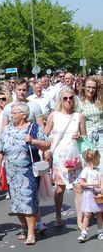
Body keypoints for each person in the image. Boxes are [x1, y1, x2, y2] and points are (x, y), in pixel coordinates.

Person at [0, 102, 51, 245]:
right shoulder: (6, 130)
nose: (10, 115)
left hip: (29, 171)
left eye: (13, 113)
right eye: (10, 113)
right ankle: (25, 228)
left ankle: (31, 233)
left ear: (23, 115)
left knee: (28, 200)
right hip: (11, 172)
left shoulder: (33, 128)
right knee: (16, 202)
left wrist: (33, 141)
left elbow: (47, 144)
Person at [45, 87, 88, 227]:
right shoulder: (53, 116)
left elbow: (85, 137)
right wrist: (47, 151)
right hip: (60, 156)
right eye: (65, 98)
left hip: (75, 156)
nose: (69, 101)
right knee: (59, 188)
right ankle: (58, 215)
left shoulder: (79, 116)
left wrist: (79, 137)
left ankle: (80, 220)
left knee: (78, 188)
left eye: (71, 98)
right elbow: (45, 135)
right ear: (60, 100)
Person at [76, 149, 103, 242]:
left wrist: (102, 189)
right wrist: (91, 184)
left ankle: (100, 232)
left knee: (99, 214)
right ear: (94, 159)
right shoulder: (86, 170)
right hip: (89, 194)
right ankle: (84, 232)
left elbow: (101, 181)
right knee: (87, 214)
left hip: (97, 194)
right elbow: (81, 183)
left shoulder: (98, 170)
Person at [78, 76, 103, 168]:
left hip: (100, 135)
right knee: (88, 166)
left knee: (101, 164)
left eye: (93, 87)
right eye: (88, 87)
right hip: (87, 137)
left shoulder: (100, 101)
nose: (91, 90)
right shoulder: (79, 103)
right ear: (84, 87)